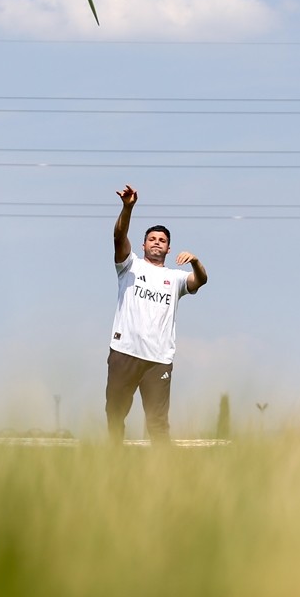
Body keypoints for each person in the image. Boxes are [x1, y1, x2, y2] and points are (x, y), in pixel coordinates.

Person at [106, 183, 208, 444]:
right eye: (152, 239)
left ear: (168, 249)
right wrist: (127, 208)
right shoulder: (129, 266)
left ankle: (164, 476)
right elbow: (118, 237)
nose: (157, 243)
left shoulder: (175, 278)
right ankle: (114, 462)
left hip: (158, 359)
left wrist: (195, 261)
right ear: (143, 244)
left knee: (158, 423)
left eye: (162, 241)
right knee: (115, 414)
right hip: (124, 352)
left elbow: (200, 281)